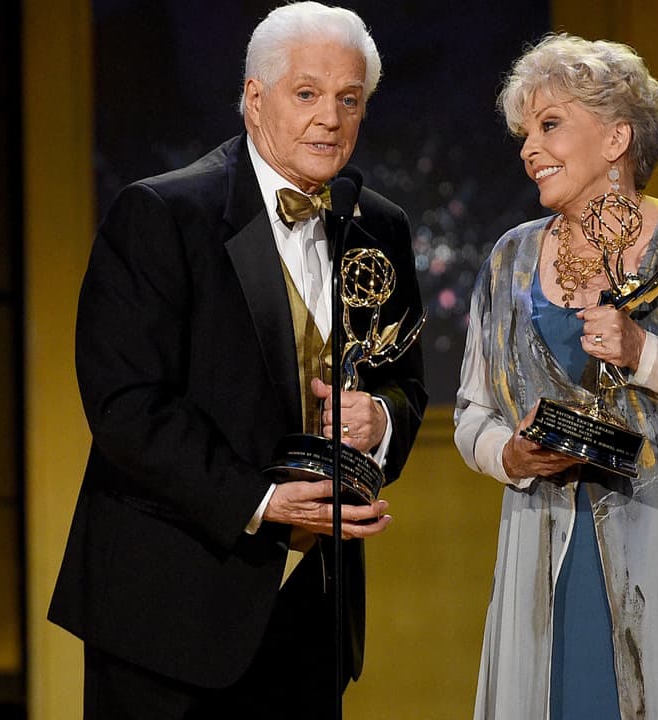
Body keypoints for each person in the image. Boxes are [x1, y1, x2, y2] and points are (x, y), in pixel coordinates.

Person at [47, 3, 427, 717]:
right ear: (255, 99)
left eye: (350, 99)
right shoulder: (161, 215)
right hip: (169, 609)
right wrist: (260, 503)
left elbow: (403, 383)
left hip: (314, 613)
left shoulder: (379, 224)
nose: (330, 118)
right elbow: (127, 406)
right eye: (307, 93)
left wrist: (378, 419)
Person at [455, 34, 658, 719]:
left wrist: (647, 353)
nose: (528, 148)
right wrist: (507, 455)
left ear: (616, 139)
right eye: (524, 132)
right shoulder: (510, 260)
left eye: (550, 126)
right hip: (551, 544)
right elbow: (471, 413)